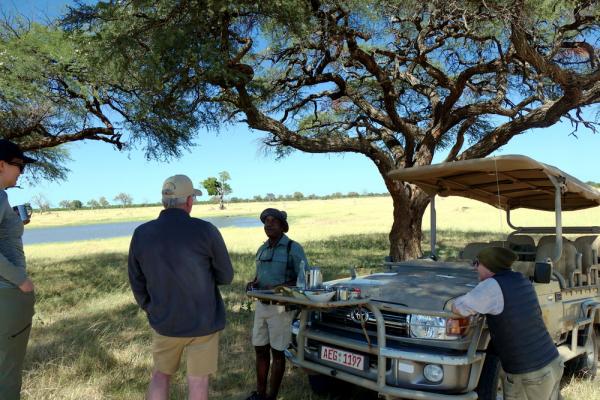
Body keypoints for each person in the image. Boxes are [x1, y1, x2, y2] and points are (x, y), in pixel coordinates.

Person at [128, 174, 234, 400]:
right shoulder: (206, 230)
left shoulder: (142, 233)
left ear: (164, 201)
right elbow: (226, 276)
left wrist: (149, 306)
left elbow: (136, 280)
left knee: (160, 375)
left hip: (165, 321)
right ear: (189, 201)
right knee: (198, 381)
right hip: (203, 322)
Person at [451, 247, 563, 400]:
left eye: (477, 263)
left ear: (489, 265)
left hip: (530, 375)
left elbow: (460, 307)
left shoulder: (491, 286)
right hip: (551, 362)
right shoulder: (520, 279)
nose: (475, 267)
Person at [246, 208, 308, 400]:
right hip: (262, 305)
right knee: (260, 349)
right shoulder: (262, 248)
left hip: (281, 308)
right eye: (266, 221)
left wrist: (282, 286)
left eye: (274, 221)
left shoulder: (292, 248)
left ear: (282, 226)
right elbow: (260, 275)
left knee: (277, 352)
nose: (269, 224)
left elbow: (304, 278)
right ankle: (260, 394)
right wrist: (253, 283)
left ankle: (271, 396)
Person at [0, 139, 37, 400]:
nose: (21, 172)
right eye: (18, 165)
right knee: (8, 372)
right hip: (6, 293)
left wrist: (13, 218)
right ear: (1, 164)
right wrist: (21, 280)